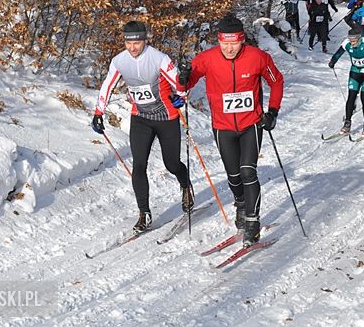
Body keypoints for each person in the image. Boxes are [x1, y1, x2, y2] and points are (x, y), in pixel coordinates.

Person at [178, 13, 284, 247]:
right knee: (234, 177)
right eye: (224, 43)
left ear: (242, 39)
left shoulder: (258, 57)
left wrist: (273, 112)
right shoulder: (207, 59)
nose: (229, 48)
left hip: (251, 124)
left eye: (233, 43)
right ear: (218, 40)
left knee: (248, 172)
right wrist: (183, 78)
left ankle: (253, 222)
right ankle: (240, 204)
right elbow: (185, 84)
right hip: (223, 126)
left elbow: (276, 81)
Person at [91, 21, 193, 234]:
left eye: (137, 42)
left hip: (166, 117)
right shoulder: (119, 60)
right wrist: (99, 112)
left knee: (172, 164)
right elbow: (107, 85)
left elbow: (179, 84)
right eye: (129, 42)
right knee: (139, 165)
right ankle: (144, 213)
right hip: (141, 118)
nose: (133, 47)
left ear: (145, 40)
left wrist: (181, 96)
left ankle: (185, 186)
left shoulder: (159, 58)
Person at [328, 27, 364, 136]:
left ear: (359, 38)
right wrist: (333, 61)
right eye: (350, 39)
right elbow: (338, 53)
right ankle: (347, 123)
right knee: (351, 97)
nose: (351, 42)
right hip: (355, 71)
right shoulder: (347, 43)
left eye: (354, 40)